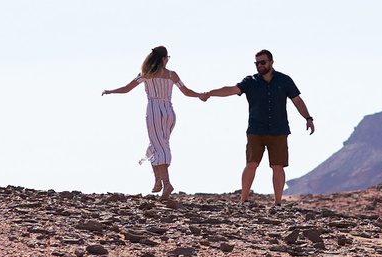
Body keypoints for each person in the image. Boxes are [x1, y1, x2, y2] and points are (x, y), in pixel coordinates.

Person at [202, 48, 314, 204]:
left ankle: (278, 203)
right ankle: (244, 200)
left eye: (263, 62)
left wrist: (308, 118)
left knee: (278, 166)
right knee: (251, 164)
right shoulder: (251, 81)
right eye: (257, 63)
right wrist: (210, 93)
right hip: (256, 130)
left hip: (279, 130)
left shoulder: (284, 80)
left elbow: (297, 100)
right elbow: (231, 90)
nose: (260, 66)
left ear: (271, 62)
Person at [101, 45, 207, 196]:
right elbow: (186, 92)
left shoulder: (146, 74)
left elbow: (126, 88)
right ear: (163, 59)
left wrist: (111, 91)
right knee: (157, 145)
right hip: (169, 111)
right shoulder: (172, 75)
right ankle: (158, 181)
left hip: (154, 110)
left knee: (160, 146)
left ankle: (166, 183)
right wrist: (201, 95)